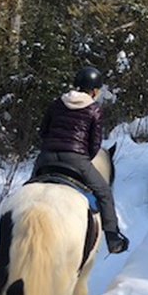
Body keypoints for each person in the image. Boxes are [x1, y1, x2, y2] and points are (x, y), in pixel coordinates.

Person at [33, 66, 128, 254]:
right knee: (104, 193)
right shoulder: (94, 109)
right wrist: (83, 159)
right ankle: (112, 237)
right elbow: (94, 145)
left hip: (46, 158)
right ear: (94, 90)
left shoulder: (57, 103)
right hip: (76, 159)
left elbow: (43, 132)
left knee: (30, 187)